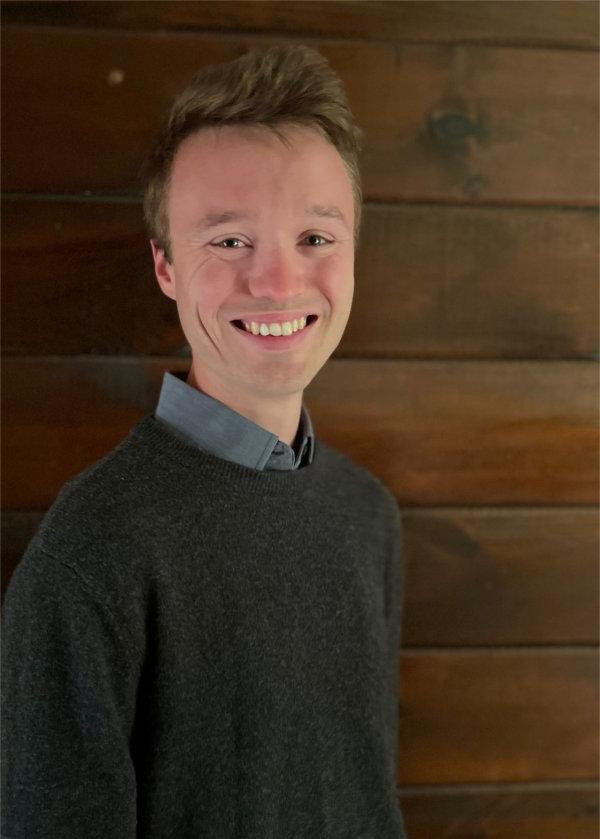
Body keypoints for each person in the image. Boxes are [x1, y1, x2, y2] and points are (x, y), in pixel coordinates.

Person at [1, 45, 407, 838]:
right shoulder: (91, 553)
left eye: (316, 238)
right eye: (229, 241)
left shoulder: (369, 516)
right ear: (165, 266)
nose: (279, 283)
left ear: (354, 249)